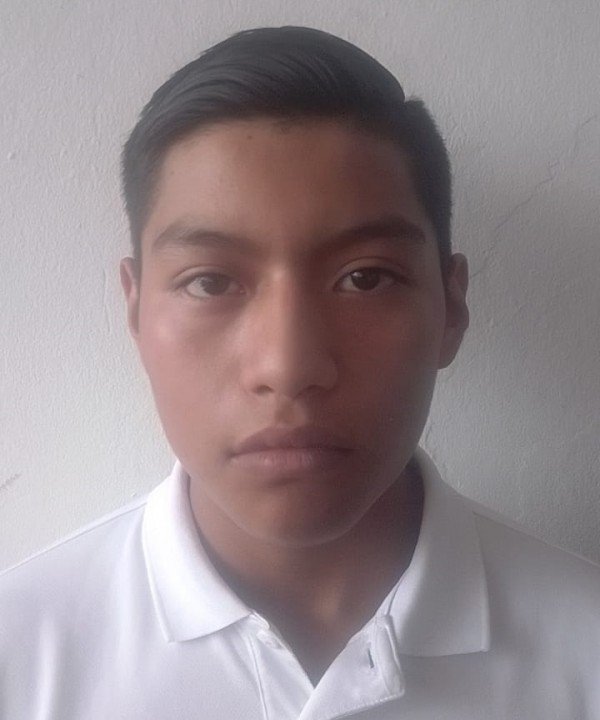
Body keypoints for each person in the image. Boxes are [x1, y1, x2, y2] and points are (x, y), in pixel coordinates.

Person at [1, 26, 599, 719]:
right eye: (209, 282)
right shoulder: (19, 656)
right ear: (135, 310)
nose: (287, 368)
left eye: (365, 278)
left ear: (451, 307)